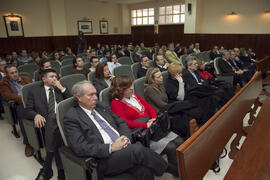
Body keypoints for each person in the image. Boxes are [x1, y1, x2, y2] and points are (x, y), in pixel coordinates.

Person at [63, 81, 176, 180]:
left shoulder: (101, 106)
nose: (95, 97)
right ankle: (173, 170)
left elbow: (121, 122)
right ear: (79, 97)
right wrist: (111, 147)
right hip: (104, 158)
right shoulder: (72, 117)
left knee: (144, 170)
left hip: (124, 148)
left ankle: (169, 169)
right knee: (137, 149)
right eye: (90, 95)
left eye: (96, 94)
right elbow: (79, 147)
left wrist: (125, 137)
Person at [110, 75, 182, 171]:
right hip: (142, 135)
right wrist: (145, 125)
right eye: (128, 87)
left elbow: (150, 108)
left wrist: (153, 118)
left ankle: (183, 168)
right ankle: (177, 173)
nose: (132, 88)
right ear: (120, 89)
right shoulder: (116, 103)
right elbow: (125, 123)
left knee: (179, 140)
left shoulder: (135, 96)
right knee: (171, 147)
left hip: (153, 128)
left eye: (131, 85)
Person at [25, 69, 71, 180]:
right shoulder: (34, 91)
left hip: (64, 120)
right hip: (48, 123)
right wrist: (36, 115)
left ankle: (46, 168)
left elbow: (72, 101)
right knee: (51, 120)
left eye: (56, 76)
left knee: (53, 119)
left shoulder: (60, 88)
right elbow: (27, 110)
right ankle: (61, 170)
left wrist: (62, 88)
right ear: (44, 79)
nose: (55, 78)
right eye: (51, 76)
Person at [0, 64, 34, 156]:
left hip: (31, 100)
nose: (15, 74)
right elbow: (8, 96)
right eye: (12, 73)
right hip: (18, 104)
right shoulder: (3, 83)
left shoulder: (25, 78)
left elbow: (33, 89)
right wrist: (23, 99)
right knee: (22, 112)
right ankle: (28, 143)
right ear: (7, 74)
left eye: (16, 72)